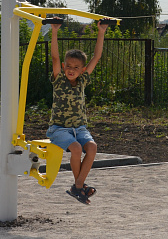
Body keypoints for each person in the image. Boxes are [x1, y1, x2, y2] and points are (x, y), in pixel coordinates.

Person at [48, 18, 110, 204]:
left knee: (92, 147)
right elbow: (55, 58)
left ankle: (78, 187)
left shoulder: (83, 80)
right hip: (59, 129)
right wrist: (54, 31)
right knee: (75, 149)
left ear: (82, 70)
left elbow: (96, 57)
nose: (71, 70)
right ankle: (79, 187)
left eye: (76, 67)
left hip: (80, 128)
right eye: (69, 66)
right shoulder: (59, 80)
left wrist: (101, 32)